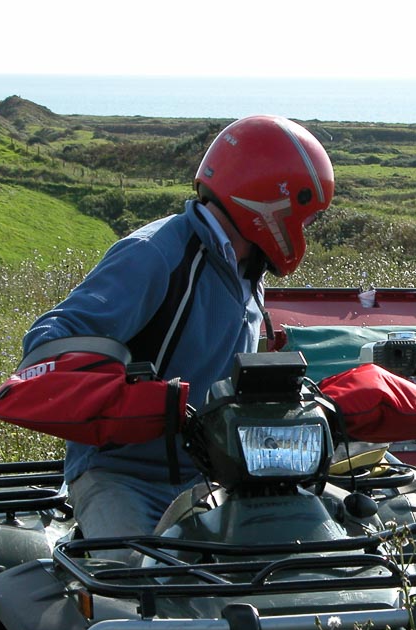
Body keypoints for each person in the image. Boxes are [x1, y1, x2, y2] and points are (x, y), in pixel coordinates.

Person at [18, 115, 334, 540]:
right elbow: (49, 344)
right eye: (306, 217)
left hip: (215, 473)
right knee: (133, 585)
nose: (307, 230)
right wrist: (133, 401)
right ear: (270, 205)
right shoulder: (155, 255)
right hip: (123, 475)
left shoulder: (245, 267)